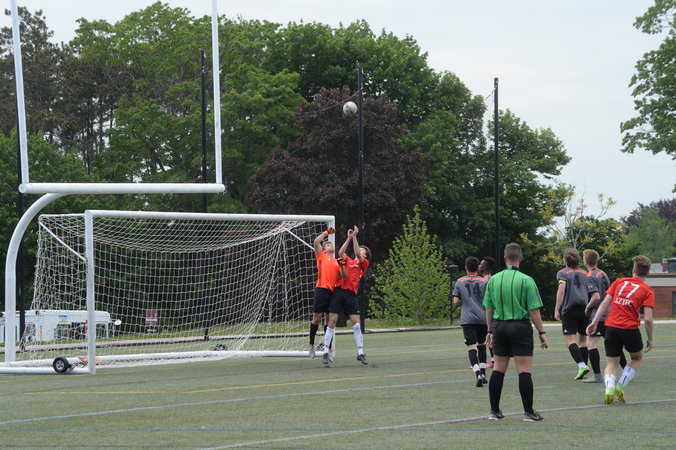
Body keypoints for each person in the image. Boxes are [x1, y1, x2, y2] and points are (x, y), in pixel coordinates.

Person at [484, 243, 548, 422]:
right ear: (521, 258)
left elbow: (488, 308)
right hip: (520, 327)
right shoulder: (527, 280)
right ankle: (528, 412)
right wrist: (541, 332)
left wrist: (490, 330)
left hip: (499, 327)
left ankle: (494, 411)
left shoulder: (494, 280)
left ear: (505, 258)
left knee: (498, 369)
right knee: (524, 370)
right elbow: (534, 310)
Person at [586, 255, 654, 404]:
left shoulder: (619, 281)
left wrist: (594, 322)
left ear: (633, 270)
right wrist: (650, 339)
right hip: (630, 328)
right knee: (636, 358)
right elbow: (648, 319)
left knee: (611, 363)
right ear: (647, 273)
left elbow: (605, 303)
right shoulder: (647, 290)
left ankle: (609, 389)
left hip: (611, 327)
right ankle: (620, 386)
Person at [322, 226, 371, 365]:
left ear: (365, 256)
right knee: (332, 321)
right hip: (339, 291)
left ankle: (360, 352)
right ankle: (325, 351)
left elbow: (357, 252)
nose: (360, 250)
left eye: (362, 250)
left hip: (351, 294)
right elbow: (341, 252)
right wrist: (349, 237)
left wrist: (355, 236)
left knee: (356, 323)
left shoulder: (363, 264)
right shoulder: (348, 260)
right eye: (359, 249)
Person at [554, 248, 599, 380]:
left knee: (570, 341)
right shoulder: (585, 273)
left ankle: (581, 366)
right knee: (583, 341)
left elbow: (561, 290)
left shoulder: (562, 273)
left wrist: (556, 309)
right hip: (584, 310)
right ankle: (583, 369)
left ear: (565, 259)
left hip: (570, 310)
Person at [582, 249, 626, 382]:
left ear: (585, 261)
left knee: (591, 344)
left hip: (598, 314)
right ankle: (627, 371)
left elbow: (596, 296)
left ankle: (597, 376)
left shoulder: (589, 276)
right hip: (609, 313)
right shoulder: (602, 273)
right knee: (614, 344)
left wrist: (588, 306)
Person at [453, 256, 489, 387]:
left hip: (467, 319)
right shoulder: (484, 281)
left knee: (471, 347)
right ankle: (483, 373)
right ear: (477, 268)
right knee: (482, 345)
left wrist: (464, 302)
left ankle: (477, 373)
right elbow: (488, 300)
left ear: (466, 268)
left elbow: (456, 301)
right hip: (483, 318)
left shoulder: (460, 281)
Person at [308, 227, 340, 357]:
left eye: (331, 244)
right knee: (317, 317)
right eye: (327, 245)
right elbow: (316, 241)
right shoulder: (321, 256)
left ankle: (329, 347)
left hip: (332, 293)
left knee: (329, 320)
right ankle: (311, 344)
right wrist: (326, 233)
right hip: (321, 289)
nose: (329, 245)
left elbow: (344, 275)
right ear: (324, 249)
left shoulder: (338, 261)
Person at [479, 256, 497, 368]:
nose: (479, 266)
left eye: (481, 264)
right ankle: (492, 360)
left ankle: (494, 361)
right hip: (484, 311)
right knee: (487, 335)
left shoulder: (488, 279)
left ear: (485, 266)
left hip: (488, 311)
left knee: (489, 335)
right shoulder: (486, 278)